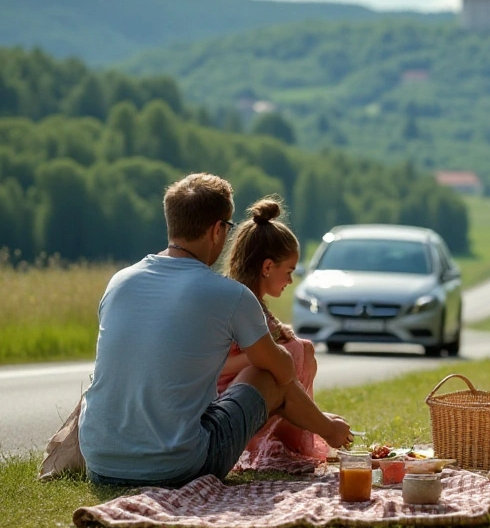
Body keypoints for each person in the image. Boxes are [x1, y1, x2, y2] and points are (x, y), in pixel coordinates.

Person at [79, 173, 353, 487]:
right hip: (177, 468)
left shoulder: (119, 282)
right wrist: (326, 426)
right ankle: (315, 439)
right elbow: (282, 371)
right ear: (216, 230)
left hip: (100, 465)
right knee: (267, 373)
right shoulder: (229, 295)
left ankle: (315, 433)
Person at [217, 195, 330, 471]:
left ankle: (291, 437)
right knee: (293, 352)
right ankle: (276, 443)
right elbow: (217, 367)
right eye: (289, 271)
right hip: (228, 403)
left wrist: (279, 341)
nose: (291, 281)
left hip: (253, 393)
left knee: (302, 348)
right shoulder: (235, 304)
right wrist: (264, 354)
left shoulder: (255, 304)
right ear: (267, 267)